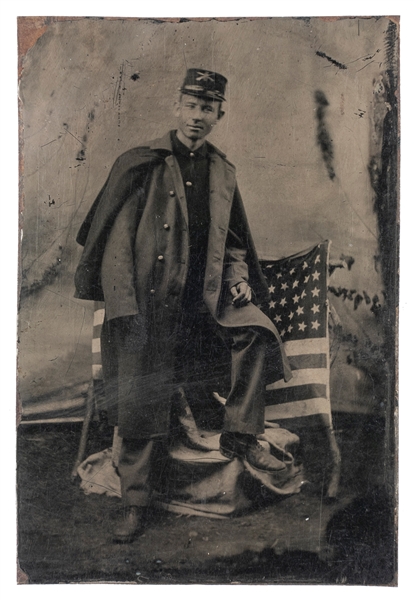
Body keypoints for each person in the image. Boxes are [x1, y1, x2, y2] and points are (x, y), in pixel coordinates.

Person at [74, 68, 292, 542]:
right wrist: (124, 305)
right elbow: (113, 243)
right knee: (141, 398)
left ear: (219, 114)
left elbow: (233, 242)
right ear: (177, 106)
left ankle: (239, 433)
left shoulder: (222, 171)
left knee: (256, 332)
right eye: (190, 105)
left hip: (203, 305)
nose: (197, 116)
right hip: (147, 306)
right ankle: (135, 503)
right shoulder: (142, 164)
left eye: (207, 108)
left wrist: (237, 279)